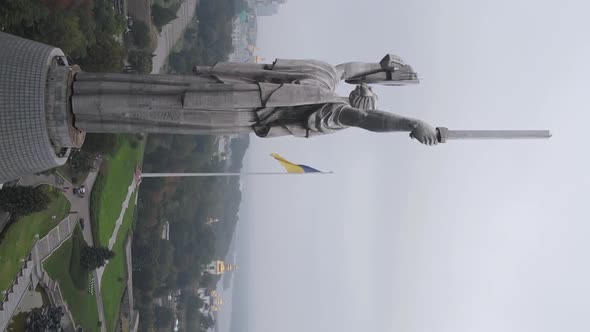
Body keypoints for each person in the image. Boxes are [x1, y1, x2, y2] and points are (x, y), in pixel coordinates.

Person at [72, 55, 438, 145]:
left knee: (158, 104)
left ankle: (83, 100)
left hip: (240, 108)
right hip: (236, 98)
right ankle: (84, 96)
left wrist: (412, 122)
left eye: (367, 95)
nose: (364, 97)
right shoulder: (328, 86)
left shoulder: (332, 100)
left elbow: (366, 115)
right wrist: (382, 71)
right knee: (157, 97)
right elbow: (348, 73)